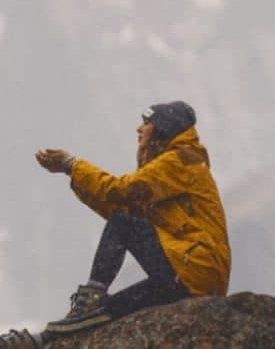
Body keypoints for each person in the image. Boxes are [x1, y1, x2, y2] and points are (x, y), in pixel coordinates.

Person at [0, 101, 231, 348]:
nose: (139, 129)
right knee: (110, 309)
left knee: (122, 226)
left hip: (193, 268)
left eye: (146, 122)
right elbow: (119, 207)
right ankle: (39, 341)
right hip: (189, 279)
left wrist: (73, 165)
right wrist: (75, 175)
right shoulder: (177, 167)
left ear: (163, 127)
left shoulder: (180, 161)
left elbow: (120, 194)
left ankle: (89, 296)